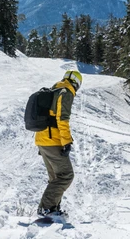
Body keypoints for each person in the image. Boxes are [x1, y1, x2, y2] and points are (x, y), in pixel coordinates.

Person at [34, 70, 81, 217]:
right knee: (66, 175)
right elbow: (62, 119)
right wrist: (66, 141)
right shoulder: (66, 92)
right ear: (77, 83)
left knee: (55, 178)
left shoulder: (53, 90)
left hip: (42, 139)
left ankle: (52, 209)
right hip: (52, 140)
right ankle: (46, 208)